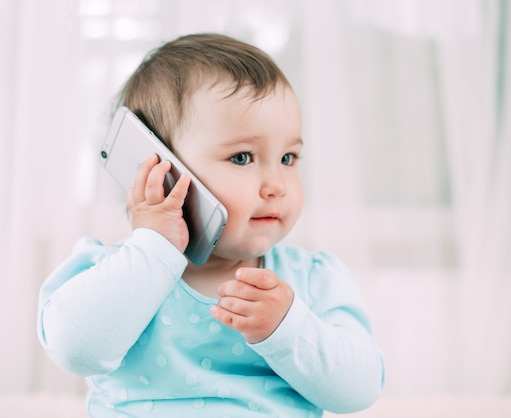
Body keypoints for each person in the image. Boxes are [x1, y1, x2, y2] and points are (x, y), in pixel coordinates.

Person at [37, 33, 385, 417]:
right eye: (241, 157)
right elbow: (75, 350)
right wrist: (154, 250)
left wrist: (287, 330)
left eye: (288, 158)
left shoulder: (310, 280)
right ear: (160, 169)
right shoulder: (115, 271)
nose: (276, 186)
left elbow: (361, 390)